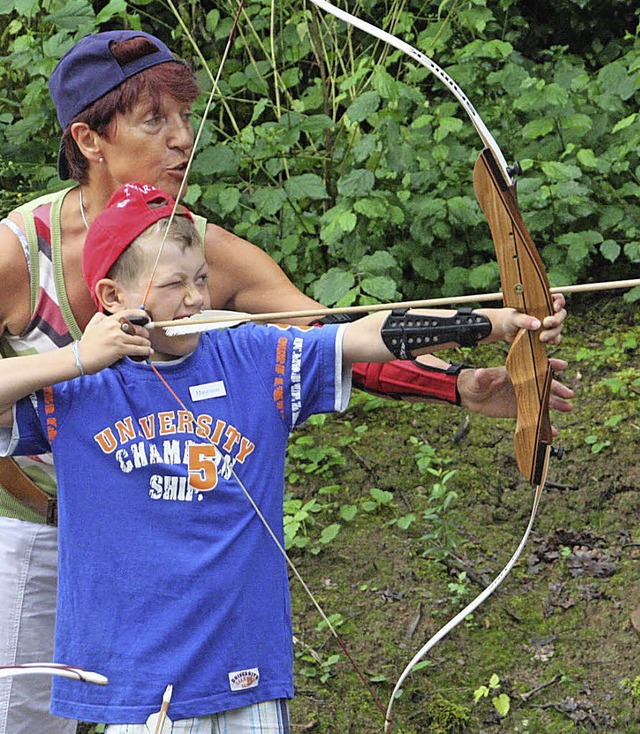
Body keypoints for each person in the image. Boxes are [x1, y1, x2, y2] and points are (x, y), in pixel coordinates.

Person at [0, 29, 572, 733]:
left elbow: (337, 331)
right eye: (156, 121)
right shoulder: (20, 251)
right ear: (89, 139)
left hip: (184, 526)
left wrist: (459, 377)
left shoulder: (201, 252)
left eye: (186, 116)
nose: (184, 139)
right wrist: (69, 386)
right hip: (39, 529)